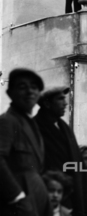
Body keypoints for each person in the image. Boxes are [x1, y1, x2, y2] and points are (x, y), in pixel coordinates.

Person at [0, 69, 51, 216]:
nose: (30, 91)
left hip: (36, 198)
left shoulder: (29, 123)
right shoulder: (7, 121)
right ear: (10, 93)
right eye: (22, 87)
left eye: (34, 87)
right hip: (19, 204)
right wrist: (17, 197)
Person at [35, 86, 87, 216]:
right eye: (60, 99)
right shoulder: (35, 127)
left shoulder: (64, 128)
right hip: (48, 200)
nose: (65, 103)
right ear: (47, 103)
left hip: (71, 199)